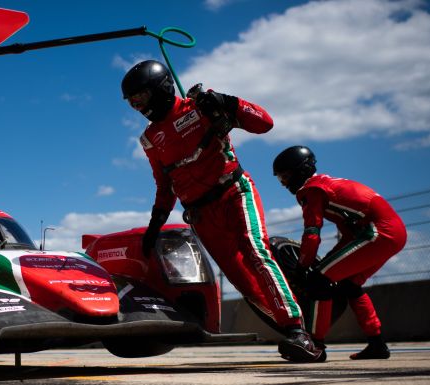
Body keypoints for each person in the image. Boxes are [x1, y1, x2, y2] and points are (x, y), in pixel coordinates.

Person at [122, 60, 322, 362]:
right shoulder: (149, 139)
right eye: (132, 102)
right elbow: (165, 186)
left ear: (161, 89)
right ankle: (298, 332)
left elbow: (264, 123)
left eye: (141, 98)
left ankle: (298, 333)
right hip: (202, 215)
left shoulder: (199, 107)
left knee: (256, 252)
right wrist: (155, 224)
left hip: (234, 193)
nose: (138, 106)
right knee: (243, 281)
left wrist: (228, 102)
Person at [272, 146, 407, 360]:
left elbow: (312, 233)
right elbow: (348, 236)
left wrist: (303, 267)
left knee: (318, 280)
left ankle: (315, 346)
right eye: (281, 179)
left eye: (286, 176)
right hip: (392, 232)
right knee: (349, 285)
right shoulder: (328, 184)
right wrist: (323, 263)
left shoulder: (312, 190)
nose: (284, 183)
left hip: (378, 232)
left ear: (301, 171)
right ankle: (377, 344)